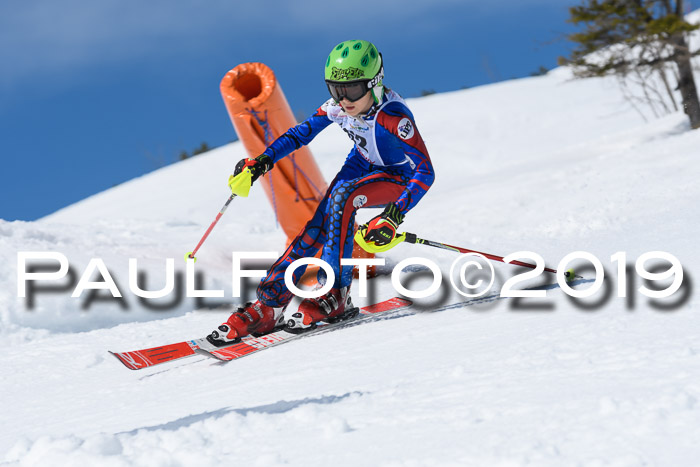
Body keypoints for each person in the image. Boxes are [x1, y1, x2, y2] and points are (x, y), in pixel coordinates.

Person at [208, 39, 435, 346]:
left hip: (397, 175)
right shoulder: (339, 108)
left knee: (343, 197)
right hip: (361, 165)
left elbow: (425, 171)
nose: (344, 100)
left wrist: (393, 216)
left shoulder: (394, 118)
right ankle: (270, 303)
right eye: (335, 90)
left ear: (374, 83)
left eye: (352, 90)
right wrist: (262, 162)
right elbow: (300, 134)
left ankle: (335, 294)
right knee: (315, 229)